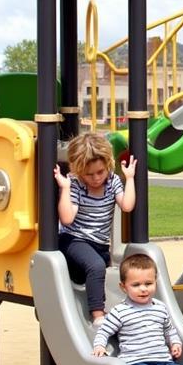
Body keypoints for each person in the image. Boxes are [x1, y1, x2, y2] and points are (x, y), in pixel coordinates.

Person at [53, 132, 136, 325]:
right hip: (73, 240)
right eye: (89, 174)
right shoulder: (76, 185)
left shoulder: (113, 181)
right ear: (78, 170)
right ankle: (98, 315)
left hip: (98, 245)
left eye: (100, 172)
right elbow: (66, 219)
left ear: (107, 165)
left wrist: (129, 178)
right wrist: (65, 188)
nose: (96, 178)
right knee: (96, 266)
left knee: (104, 269)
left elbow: (127, 205)